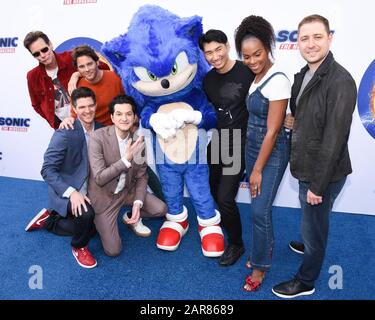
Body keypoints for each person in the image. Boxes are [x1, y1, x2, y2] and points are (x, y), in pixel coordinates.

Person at [272, 14, 357, 299]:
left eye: (317, 37)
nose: (311, 44)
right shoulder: (304, 74)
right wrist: (294, 120)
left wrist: (318, 186)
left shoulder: (341, 81)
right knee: (312, 219)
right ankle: (309, 241)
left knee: (316, 226)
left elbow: (334, 139)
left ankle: (305, 280)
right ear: (298, 42)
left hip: (324, 174)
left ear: (329, 39)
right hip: (307, 165)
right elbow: (307, 113)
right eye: (304, 38)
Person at [234, 15, 291, 291]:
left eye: (257, 54)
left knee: (258, 211)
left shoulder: (278, 80)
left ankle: (260, 267)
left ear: (268, 48)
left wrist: (256, 170)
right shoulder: (256, 76)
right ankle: (262, 251)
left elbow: (273, 130)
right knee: (261, 209)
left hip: (273, 150)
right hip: (253, 147)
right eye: (246, 56)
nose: (253, 60)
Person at [25, 87, 102, 268]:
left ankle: (52, 215)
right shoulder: (65, 132)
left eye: (91, 106)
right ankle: (76, 244)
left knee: (94, 228)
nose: (88, 110)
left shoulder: (102, 128)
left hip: (93, 188)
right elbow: (47, 170)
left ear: (96, 105)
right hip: (68, 188)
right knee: (87, 217)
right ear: (74, 108)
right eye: (82, 107)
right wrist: (72, 192)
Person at [198, 30, 254, 266]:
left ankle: (236, 244)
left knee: (225, 197)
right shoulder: (208, 80)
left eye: (218, 49)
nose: (214, 56)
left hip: (241, 142)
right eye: (208, 52)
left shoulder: (247, 71)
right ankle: (219, 222)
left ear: (227, 46)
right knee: (209, 184)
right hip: (219, 139)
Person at [88, 94, 167, 256]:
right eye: (119, 114)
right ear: (112, 117)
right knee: (113, 251)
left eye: (128, 114)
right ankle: (99, 221)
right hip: (105, 197)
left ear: (134, 117)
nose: (124, 118)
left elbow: (142, 176)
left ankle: (129, 215)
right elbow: (99, 178)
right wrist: (126, 160)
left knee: (161, 209)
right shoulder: (97, 138)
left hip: (127, 192)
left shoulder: (138, 140)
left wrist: (137, 203)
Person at [23, 31, 109, 129]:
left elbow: (104, 68)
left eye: (44, 49)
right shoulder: (32, 76)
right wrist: (56, 123)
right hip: (67, 127)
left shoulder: (71, 57)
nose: (42, 55)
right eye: (36, 54)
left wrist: (77, 74)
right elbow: (36, 105)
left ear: (50, 44)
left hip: (94, 121)